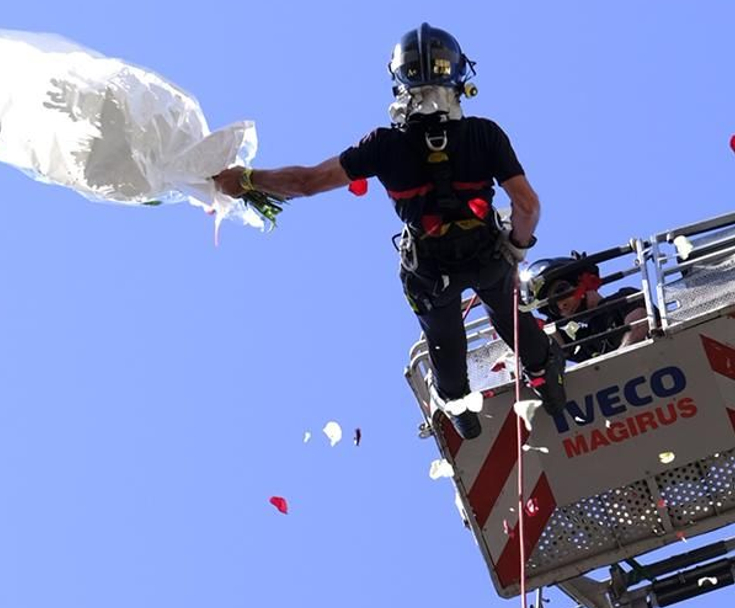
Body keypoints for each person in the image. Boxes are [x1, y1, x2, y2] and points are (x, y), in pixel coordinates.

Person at [212, 24, 566, 439]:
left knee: (446, 347)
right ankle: (545, 374)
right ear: (457, 73)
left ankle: (458, 407)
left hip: (430, 273)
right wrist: (516, 247)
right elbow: (527, 206)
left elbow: (307, 182)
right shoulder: (485, 135)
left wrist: (247, 179)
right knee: (511, 319)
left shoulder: (383, 146)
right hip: (487, 256)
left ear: (400, 80)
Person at [528, 251, 648, 362]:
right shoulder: (581, 337)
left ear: (583, 282)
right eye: (553, 307)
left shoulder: (623, 297)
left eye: (561, 290)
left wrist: (615, 362)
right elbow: (557, 351)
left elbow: (639, 324)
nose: (561, 305)